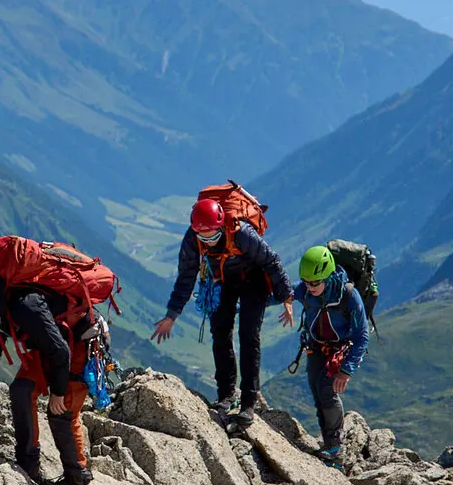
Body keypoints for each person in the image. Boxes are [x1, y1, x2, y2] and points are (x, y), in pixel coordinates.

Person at [0, 239, 105, 485]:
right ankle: (28, 465)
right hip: (50, 344)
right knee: (21, 390)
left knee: (61, 411)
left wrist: (57, 391)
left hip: (78, 342)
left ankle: (76, 481)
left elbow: (60, 351)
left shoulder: (23, 305)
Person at [152, 197, 295, 413]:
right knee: (220, 332)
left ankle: (248, 402)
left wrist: (286, 297)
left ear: (221, 226)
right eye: (204, 238)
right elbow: (186, 276)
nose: (208, 242)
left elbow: (270, 261)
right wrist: (172, 315)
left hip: (254, 281)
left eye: (214, 236)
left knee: (249, 336)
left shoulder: (242, 233)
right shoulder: (193, 237)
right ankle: (226, 395)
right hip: (224, 280)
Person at [292, 245, 370, 462]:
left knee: (326, 389)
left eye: (315, 282)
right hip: (316, 346)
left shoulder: (349, 295)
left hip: (341, 348)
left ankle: (335, 446)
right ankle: (329, 445)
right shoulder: (307, 290)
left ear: (327, 275)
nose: (310, 287)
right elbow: (283, 293)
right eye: (306, 282)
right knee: (317, 392)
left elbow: (362, 336)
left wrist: (346, 370)